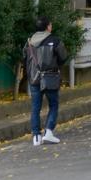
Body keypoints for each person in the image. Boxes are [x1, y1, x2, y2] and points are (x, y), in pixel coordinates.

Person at [25, 17, 66, 147]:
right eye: (50, 25)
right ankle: (48, 132)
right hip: (50, 77)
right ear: (48, 27)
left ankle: (36, 136)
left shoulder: (29, 42)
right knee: (53, 104)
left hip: (34, 78)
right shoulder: (55, 40)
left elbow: (24, 58)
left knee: (35, 107)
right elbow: (63, 57)